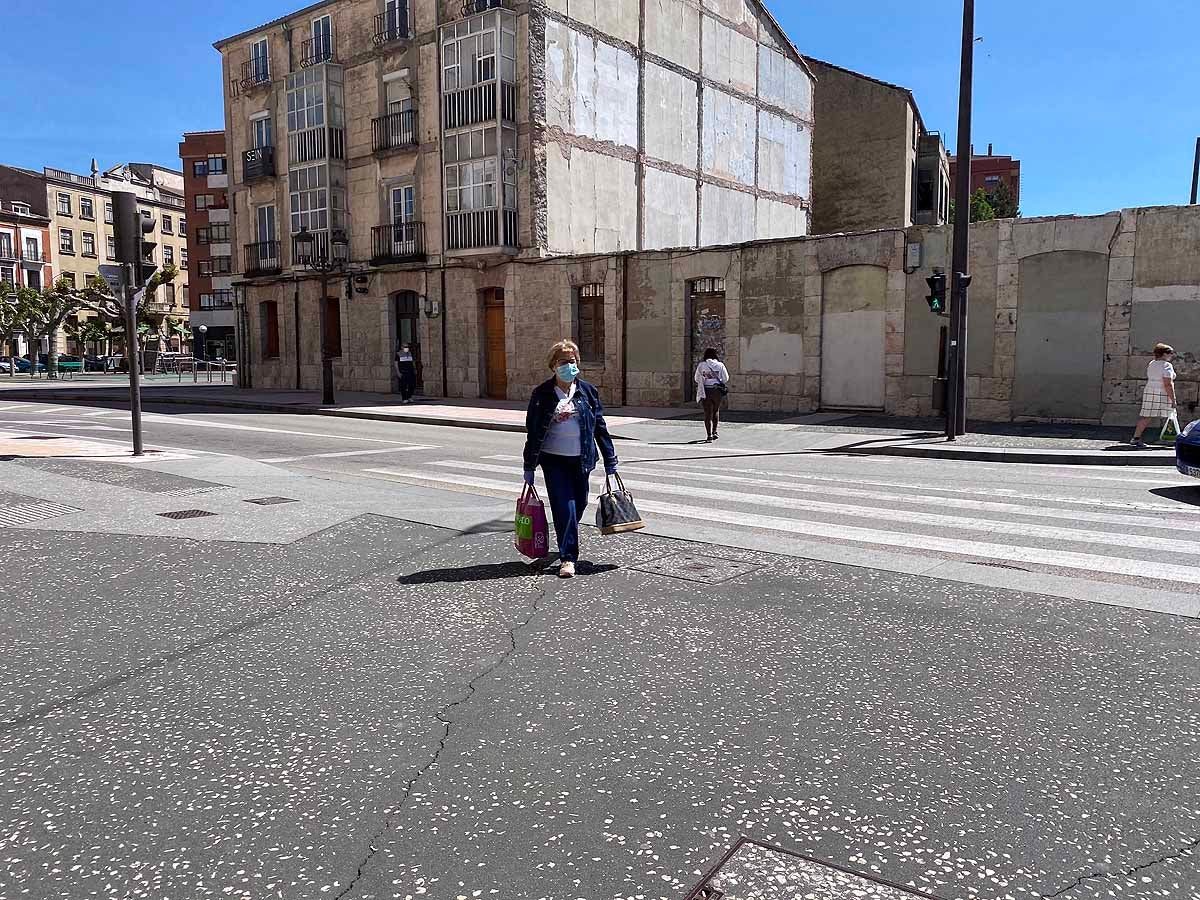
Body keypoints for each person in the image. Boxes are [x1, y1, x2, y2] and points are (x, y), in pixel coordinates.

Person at [522, 339, 619, 578]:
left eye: (573, 361)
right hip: (554, 460)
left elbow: (600, 427)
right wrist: (529, 465)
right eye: (564, 361)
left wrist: (610, 459)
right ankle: (568, 558)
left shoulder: (587, 391)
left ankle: (567, 536)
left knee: (579, 504)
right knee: (565, 507)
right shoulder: (542, 394)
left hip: (582, 458)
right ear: (553, 365)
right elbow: (533, 430)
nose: (570, 365)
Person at [1132, 343, 1178, 447]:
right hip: (1162, 392)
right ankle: (1168, 438)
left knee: (1147, 416)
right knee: (1170, 415)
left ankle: (1136, 438)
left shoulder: (1152, 363)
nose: (1172, 355)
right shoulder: (1166, 365)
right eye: (1170, 353)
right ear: (1164, 354)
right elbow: (1168, 384)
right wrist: (1173, 399)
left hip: (1150, 390)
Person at [694, 349, 730, 442]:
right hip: (717, 390)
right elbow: (726, 379)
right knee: (715, 410)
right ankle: (714, 432)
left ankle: (709, 435)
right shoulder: (720, 365)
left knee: (707, 413)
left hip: (706, 390)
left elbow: (696, 378)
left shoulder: (702, 365)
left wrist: (705, 379)